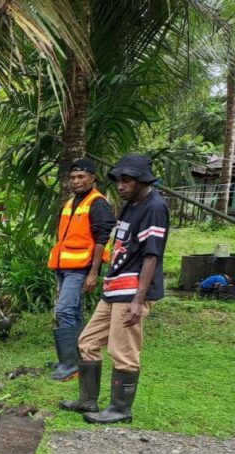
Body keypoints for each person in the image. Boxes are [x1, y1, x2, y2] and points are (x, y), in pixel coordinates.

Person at [62, 154, 169, 424]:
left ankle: (121, 409)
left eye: (127, 181)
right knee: (87, 342)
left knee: (123, 351)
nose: (120, 186)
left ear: (142, 180)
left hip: (132, 290)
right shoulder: (131, 204)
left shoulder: (154, 207)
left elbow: (152, 255)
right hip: (114, 287)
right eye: (119, 181)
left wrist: (138, 300)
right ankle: (87, 399)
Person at [47, 159, 116, 381]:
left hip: (80, 268)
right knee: (73, 312)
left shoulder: (98, 203)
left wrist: (93, 273)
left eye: (81, 177)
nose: (76, 181)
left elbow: (102, 240)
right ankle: (74, 359)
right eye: (73, 177)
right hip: (64, 266)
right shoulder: (71, 202)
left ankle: (70, 364)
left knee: (64, 310)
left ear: (92, 178)